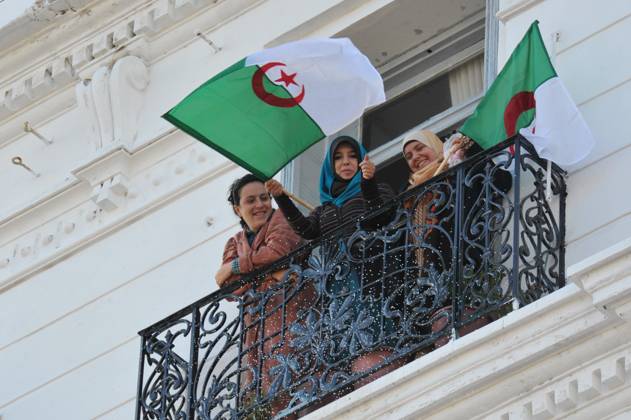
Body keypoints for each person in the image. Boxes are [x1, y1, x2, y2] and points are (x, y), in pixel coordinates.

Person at [265, 135, 401, 390]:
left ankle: (378, 362)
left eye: (352, 156)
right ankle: (354, 369)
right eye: (338, 158)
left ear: (362, 161)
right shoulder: (324, 210)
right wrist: (281, 197)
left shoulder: (378, 189)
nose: (346, 162)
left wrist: (368, 183)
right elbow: (306, 230)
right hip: (339, 281)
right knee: (347, 327)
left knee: (375, 322)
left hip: (372, 273)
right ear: (330, 166)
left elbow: (379, 217)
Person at [400, 129, 512, 347]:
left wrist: (471, 151)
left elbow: (500, 182)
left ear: (435, 146)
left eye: (419, 148)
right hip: (432, 289)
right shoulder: (411, 199)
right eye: (408, 156)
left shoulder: (457, 170)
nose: (415, 157)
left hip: (468, 272)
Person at [215, 173, 312, 417]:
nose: (260, 205)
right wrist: (271, 273)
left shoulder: (282, 219)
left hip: (292, 309)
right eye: (251, 201)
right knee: (266, 385)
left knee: (295, 371)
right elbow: (229, 289)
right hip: (257, 326)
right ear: (238, 209)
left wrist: (236, 267)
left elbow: (277, 251)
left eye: (264, 198)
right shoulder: (234, 242)